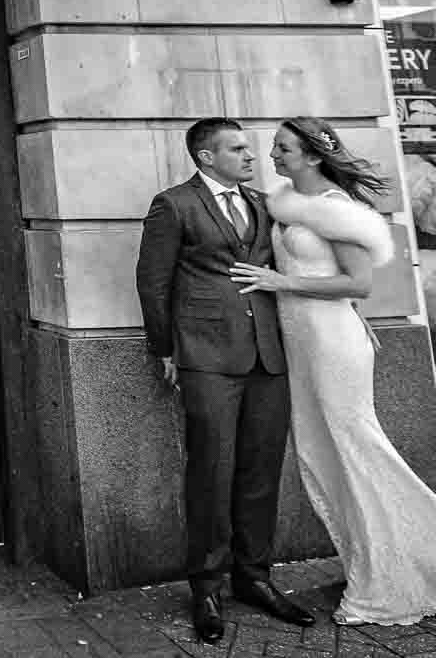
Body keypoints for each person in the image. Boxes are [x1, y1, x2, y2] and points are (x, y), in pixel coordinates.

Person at [230, 119, 436, 627]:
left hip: (331, 344)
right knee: (322, 456)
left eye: (282, 148)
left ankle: (409, 572)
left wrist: (281, 280)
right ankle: (372, 563)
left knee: (356, 449)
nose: (272, 155)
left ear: (312, 156)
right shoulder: (285, 203)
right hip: (304, 344)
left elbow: (358, 283)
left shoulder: (338, 211)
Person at [136, 118, 313, 644]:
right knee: (210, 471)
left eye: (249, 148)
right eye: (237, 149)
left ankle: (255, 578)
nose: (250, 156)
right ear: (205, 157)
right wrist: (164, 348)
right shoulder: (174, 205)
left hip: (267, 357)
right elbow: (153, 280)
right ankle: (207, 588)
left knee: (261, 471)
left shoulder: (262, 203)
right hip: (207, 355)